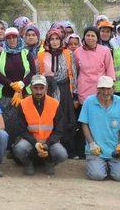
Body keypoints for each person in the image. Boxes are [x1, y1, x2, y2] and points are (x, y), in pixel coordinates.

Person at [13, 75, 68, 175]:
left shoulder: (55, 104)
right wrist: (35, 142)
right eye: (35, 88)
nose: (38, 91)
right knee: (19, 149)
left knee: (62, 154)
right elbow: (21, 129)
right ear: (30, 88)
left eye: (41, 88)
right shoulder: (23, 104)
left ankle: (49, 162)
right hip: (30, 140)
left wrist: (47, 143)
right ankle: (28, 163)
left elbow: (59, 130)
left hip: (49, 140)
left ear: (46, 88)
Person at [79, 76, 120, 181]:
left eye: (108, 88)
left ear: (113, 88)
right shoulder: (89, 101)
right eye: (102, 88)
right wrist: (91, 144)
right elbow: (84, 124)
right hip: (96, 150)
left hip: (114, 149)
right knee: (97, 175)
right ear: (97, 89)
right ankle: (101, 166)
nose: (105, 92)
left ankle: (119, 165)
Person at [36, 28, 77, 157]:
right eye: (51, 39)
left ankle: (67, 149)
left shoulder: (68, 53)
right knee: (50, 118)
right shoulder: (41, 54)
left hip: (64, 89)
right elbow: (38, 74)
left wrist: (74, 94)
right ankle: (48, 146)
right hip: (48, 90)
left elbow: (73, 74)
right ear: (48, 41)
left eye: (57, 39)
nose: (54, 42)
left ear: (61, 40)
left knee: (64, 118)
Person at [0, 27, 36, 147]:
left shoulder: (26, 53)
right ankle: (7, 147)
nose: (12, 40)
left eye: (14, 37)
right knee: (7, 122)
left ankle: (22, 146)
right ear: (5, 39)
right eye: (9, 38)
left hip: (24, 94)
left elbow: (33, 71)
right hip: (6, 95)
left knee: (23, 121)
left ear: (18, 37)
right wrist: (10, 84)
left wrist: (22, 83)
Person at [74, 26, 115, 105]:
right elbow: (75, 71)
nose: (90, 38)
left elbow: (110, 70)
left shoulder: (105, 50)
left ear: (97, 38)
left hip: (101, 88)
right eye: (88, 35)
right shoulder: (77, 52)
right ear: (84, 37)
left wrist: (111, 87)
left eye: (93, 36)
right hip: (84, 88)